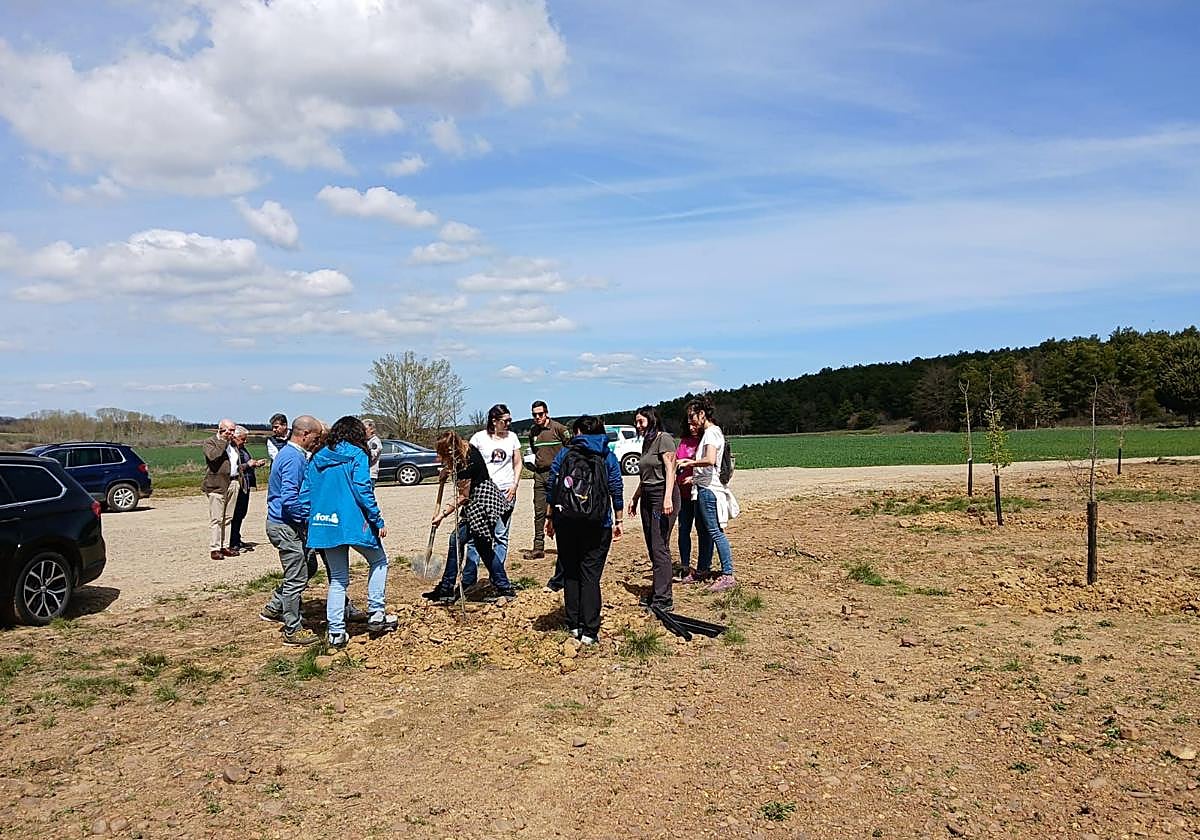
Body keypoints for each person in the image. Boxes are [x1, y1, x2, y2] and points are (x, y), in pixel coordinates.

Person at [301, 416, 397, 649]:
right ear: (356, 433)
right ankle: (376, 614)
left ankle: (336, 633)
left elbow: (305, 495)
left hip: (325, 525)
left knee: (338, 579)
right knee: (379, 561)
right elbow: (363, 489)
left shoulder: (316, 458)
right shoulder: (357, 454)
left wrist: (310, 521)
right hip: (354, 523)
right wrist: (377, 520)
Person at [545, 415, 624, 644]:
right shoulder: (607, 455)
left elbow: (552, 485)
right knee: (590, 575)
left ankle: (573, 625)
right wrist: (618, 520)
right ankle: (590, 631)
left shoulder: (565, 453)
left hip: (566, 521)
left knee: (570, 571)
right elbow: (616, 488)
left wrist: (550, 517)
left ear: (578, 431)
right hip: (598, 523)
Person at [423, 430, 517, 602]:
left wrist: (442, 515)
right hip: (476, 502)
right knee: (462, 542)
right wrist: (446, 471)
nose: (440, 457)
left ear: (450, 451)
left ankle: (505, 589)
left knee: (479, 546)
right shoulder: (467, 448)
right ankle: (446, 588)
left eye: (442, 454)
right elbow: (456, 471)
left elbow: (463, 496)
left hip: (482, 505)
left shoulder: (466, 464)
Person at [259, 415, 323, 646]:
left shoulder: (289, 454)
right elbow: (290, 499)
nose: (316, 442)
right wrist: (305, 522)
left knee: (309, 565)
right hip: (285, 525)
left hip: (284, 523)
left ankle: (274, 607)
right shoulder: (293, 458)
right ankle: (292, 630)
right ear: (304, 434)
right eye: (315, 437)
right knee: (297, 577)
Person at [676, 395, 739, 593]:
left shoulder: (711, 433)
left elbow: (710, 460)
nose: (689, 421)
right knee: (704, 532)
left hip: (709, 491)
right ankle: (703, 569)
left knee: (714, 532)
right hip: (702, 488)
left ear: (702, 414)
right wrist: (694, 479)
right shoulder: (712, 433)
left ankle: (728, 574)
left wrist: (689, 463)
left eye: (691, 417)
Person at [627, 406, 678, 611]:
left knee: (659, 546)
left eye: (641, 421)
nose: (637, 425)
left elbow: (670, 470)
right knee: (652, 545)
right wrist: (635, 497)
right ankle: (658, 590)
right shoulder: (646, 442)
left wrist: (667, 498)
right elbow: (645, 475)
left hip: (661, 498)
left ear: (652, 420)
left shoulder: (663, 439)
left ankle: (664, 599)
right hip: (648, 496)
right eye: (636, 422)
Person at [468, 404, 522, 571]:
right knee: (476, 536)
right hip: (483, 492)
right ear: (494, 421)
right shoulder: (478, 438)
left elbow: (518, 462)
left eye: (510, 421)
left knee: (501, 535)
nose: (508, 424)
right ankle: (470, 576)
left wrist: (515, 484)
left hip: (506, 491)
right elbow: (469, 462)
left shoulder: (512, 437)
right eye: (505, 421)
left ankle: (496, 575)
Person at [527, 400, 570, 561]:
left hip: (557, 475)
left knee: (560, 511)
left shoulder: (559, 429)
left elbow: (570, 447)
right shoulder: (533, 431)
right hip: (539, 475)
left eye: (540, 414)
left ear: (546, 413)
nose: (537, 417)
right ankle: (538, 547)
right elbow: (534, 449)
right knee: (539, 511)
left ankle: (565, 547)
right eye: (534, 415)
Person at [202, 418, 240, 560]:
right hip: (216, 485)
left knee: (228, 517)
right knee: (217, 518)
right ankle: (215, 548)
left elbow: (235, 462)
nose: (231, 433)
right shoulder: (210, 442)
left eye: (232, 430)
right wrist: (223, 441)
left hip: (233, 482)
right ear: (220, 429)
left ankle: (224, 546)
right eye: (228, 430)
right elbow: (213, 457)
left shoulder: (233, 444)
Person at [229, 426, 267, 552]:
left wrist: (254, 464)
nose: (245, 442)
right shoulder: (231, 450)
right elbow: (232, 468)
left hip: (245, 484)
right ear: (235, 437)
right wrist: (247, 465)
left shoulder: (241, 448)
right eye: (242, 439)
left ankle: (237, 539)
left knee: (241, 513)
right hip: (237, 484)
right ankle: (232, 542)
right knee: (235, 514)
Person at [674, 421, 703, 582]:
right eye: (689, 425)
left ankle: (701, 567)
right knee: (683, 530)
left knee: (702, 531)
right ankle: (685, 566)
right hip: (682, 495)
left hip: (698, 494)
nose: (692, 428)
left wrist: (694, 479)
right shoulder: (684, 442)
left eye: (695, 425)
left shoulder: (705, 441)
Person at [364, 419, 383, 486]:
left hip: (370, 474)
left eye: (365, 429)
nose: (363, 431)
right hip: (363, 473)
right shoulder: (366, 441)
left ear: (372, 430)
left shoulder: (375, 442)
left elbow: (372, 456)